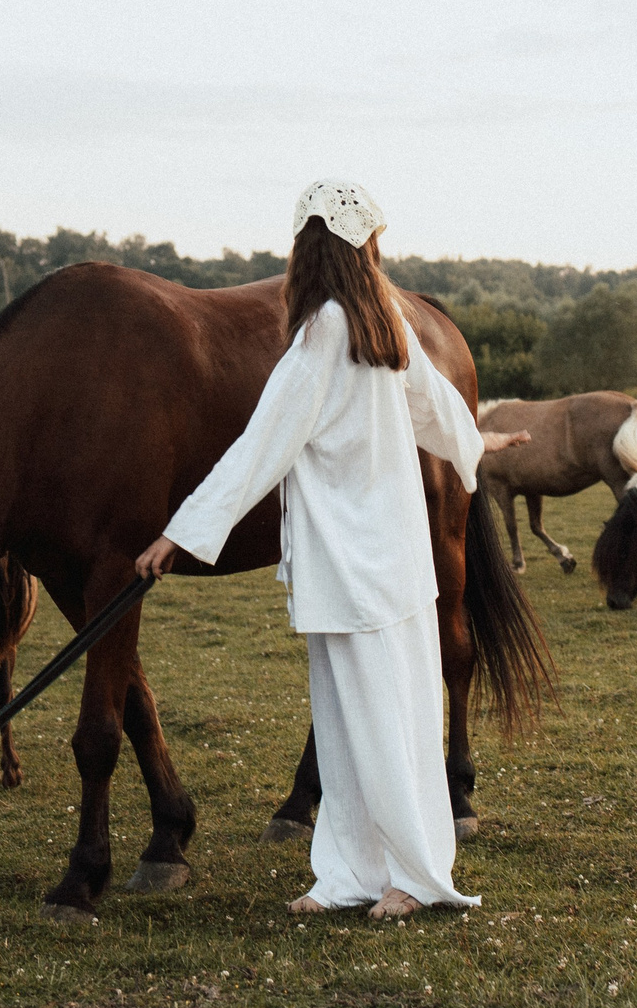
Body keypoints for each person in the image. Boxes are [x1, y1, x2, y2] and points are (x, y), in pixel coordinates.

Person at [135, 180, 528, 920]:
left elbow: (261, 446)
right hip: (381, 557)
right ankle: (350, 873)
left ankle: (412, 874)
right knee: (363, 717)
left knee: (375, 717)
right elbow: (443, 413)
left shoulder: (324, 333)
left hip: (356, 556)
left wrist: (178, 531)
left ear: (305, 251)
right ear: (360, 248)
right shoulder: (382, 327)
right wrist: (481, 441)